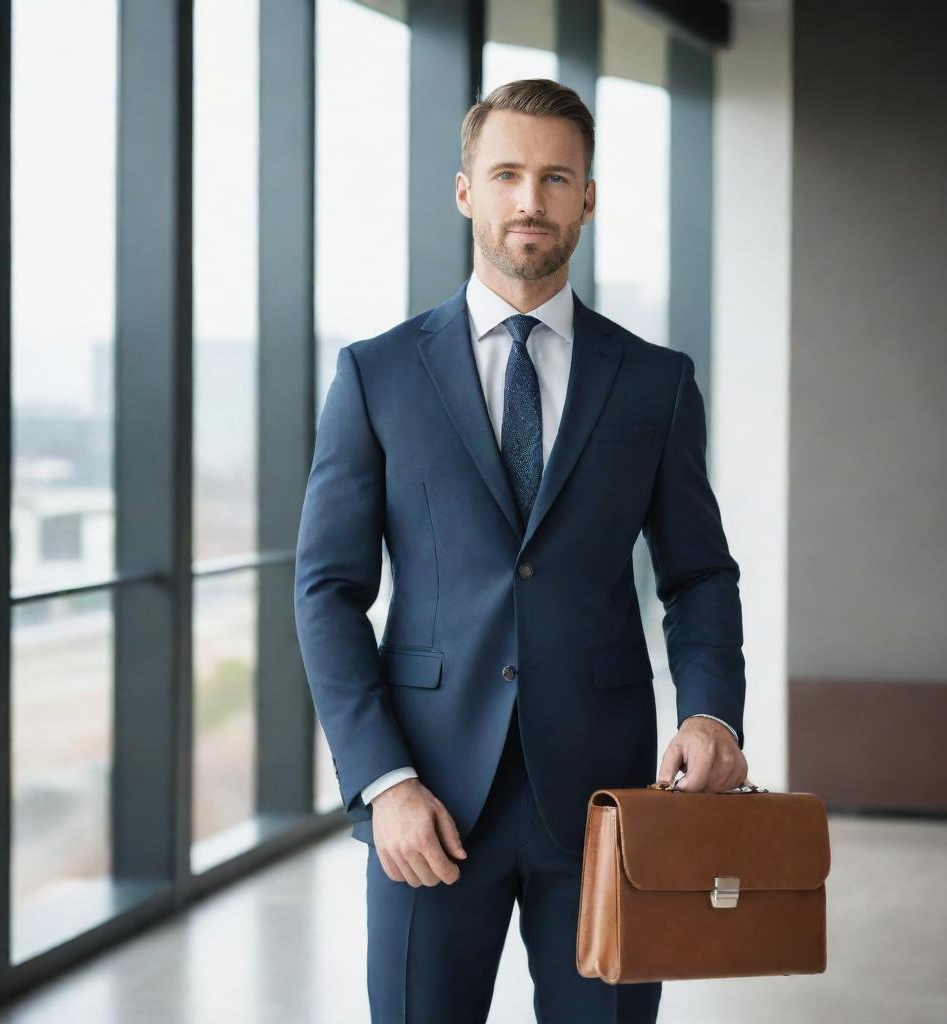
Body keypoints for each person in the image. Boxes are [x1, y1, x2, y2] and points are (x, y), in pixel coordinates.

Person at [294, 77, 750, 1024]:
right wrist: (383, 782)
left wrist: (713, 718)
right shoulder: (375, 376)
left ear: (589, 197)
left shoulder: (655, 384)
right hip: (426, 799)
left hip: (605, 803)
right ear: (466, 191)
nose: (529, 200)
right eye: (506, 174)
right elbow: (327, 592)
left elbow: (699, 574)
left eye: (555, 177)